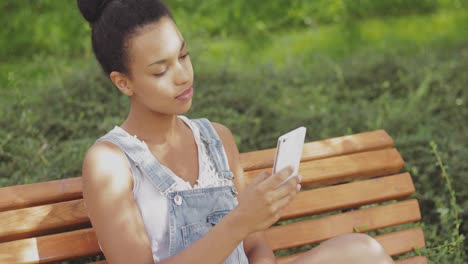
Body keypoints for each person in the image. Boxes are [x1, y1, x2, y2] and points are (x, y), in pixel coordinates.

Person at [77, 0, 395, 263]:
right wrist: (240, 221)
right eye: (161, 70)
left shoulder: (216, 138)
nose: (183, 76)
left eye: (184, 56)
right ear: (123, 82)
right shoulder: (109, 163)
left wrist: (256, 216)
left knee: (360, 251)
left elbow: (256, 248)